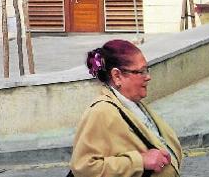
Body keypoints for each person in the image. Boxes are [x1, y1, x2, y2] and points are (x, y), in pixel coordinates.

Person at [69, 39, 182, 177]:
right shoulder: (101, 112)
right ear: (117, 76)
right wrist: (140, 162)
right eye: (141, 72)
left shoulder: (132, 103)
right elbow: (83, 167)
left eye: (147, 69)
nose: (148, 77)